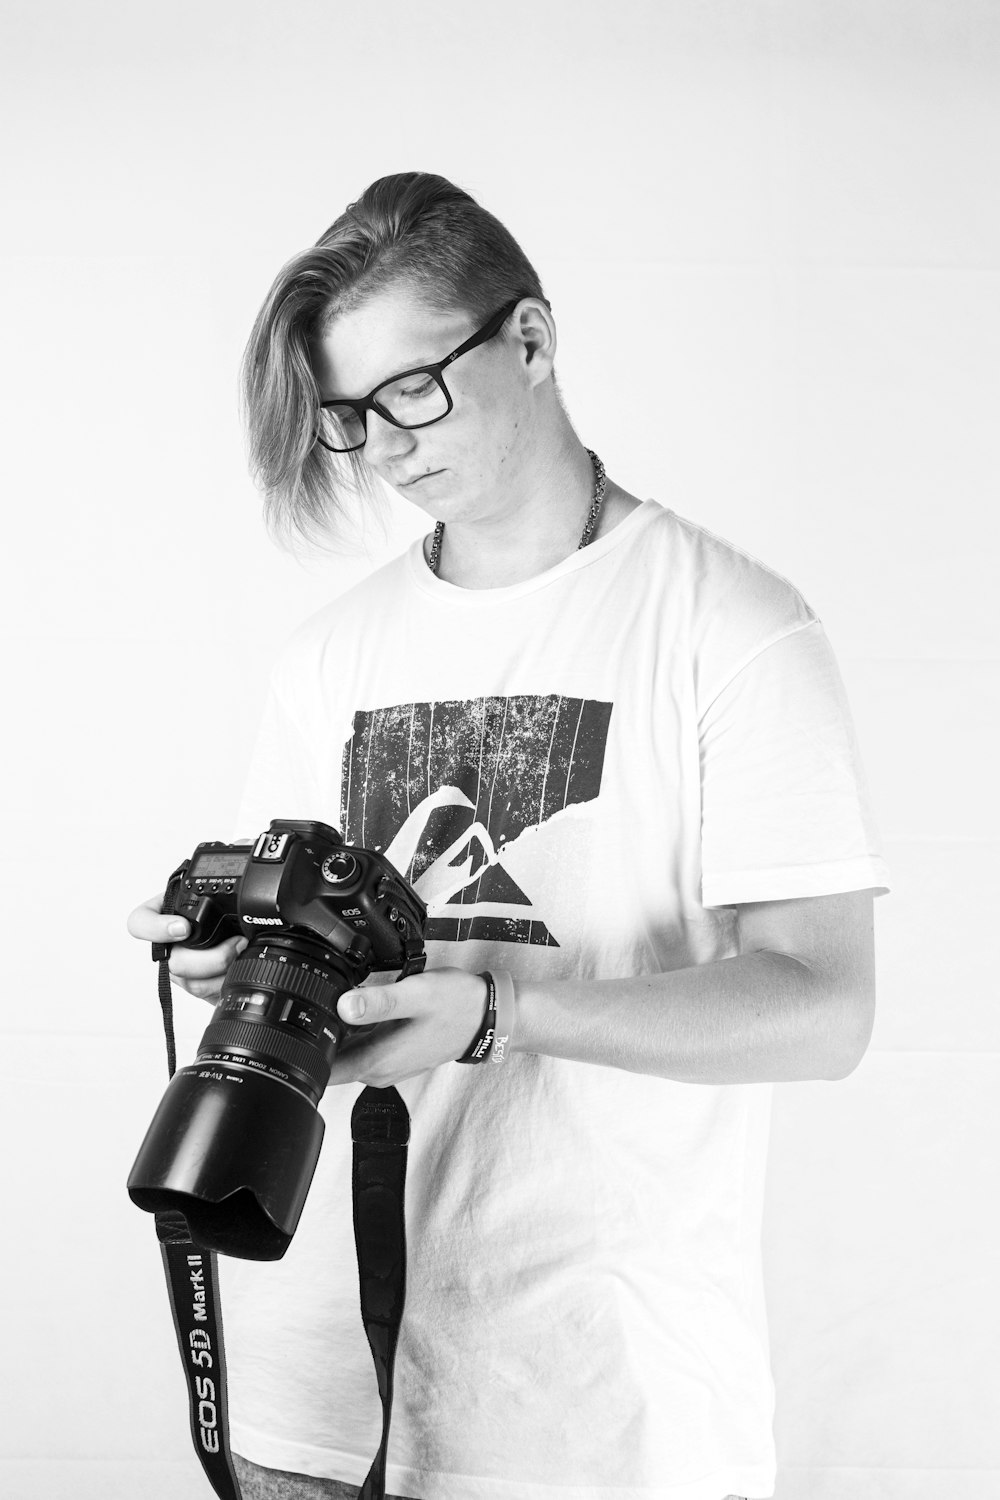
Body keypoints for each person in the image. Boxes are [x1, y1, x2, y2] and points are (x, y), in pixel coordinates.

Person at [128, 171, 889, 1500]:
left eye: (411, 389)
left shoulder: (731, 628)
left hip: (598, 1416)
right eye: (353, 415)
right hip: (318, 1390)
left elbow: (825, 1011)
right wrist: (229, 963)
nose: (388, 443)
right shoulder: (331, 654)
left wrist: (501, 1014)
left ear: (530, 339)